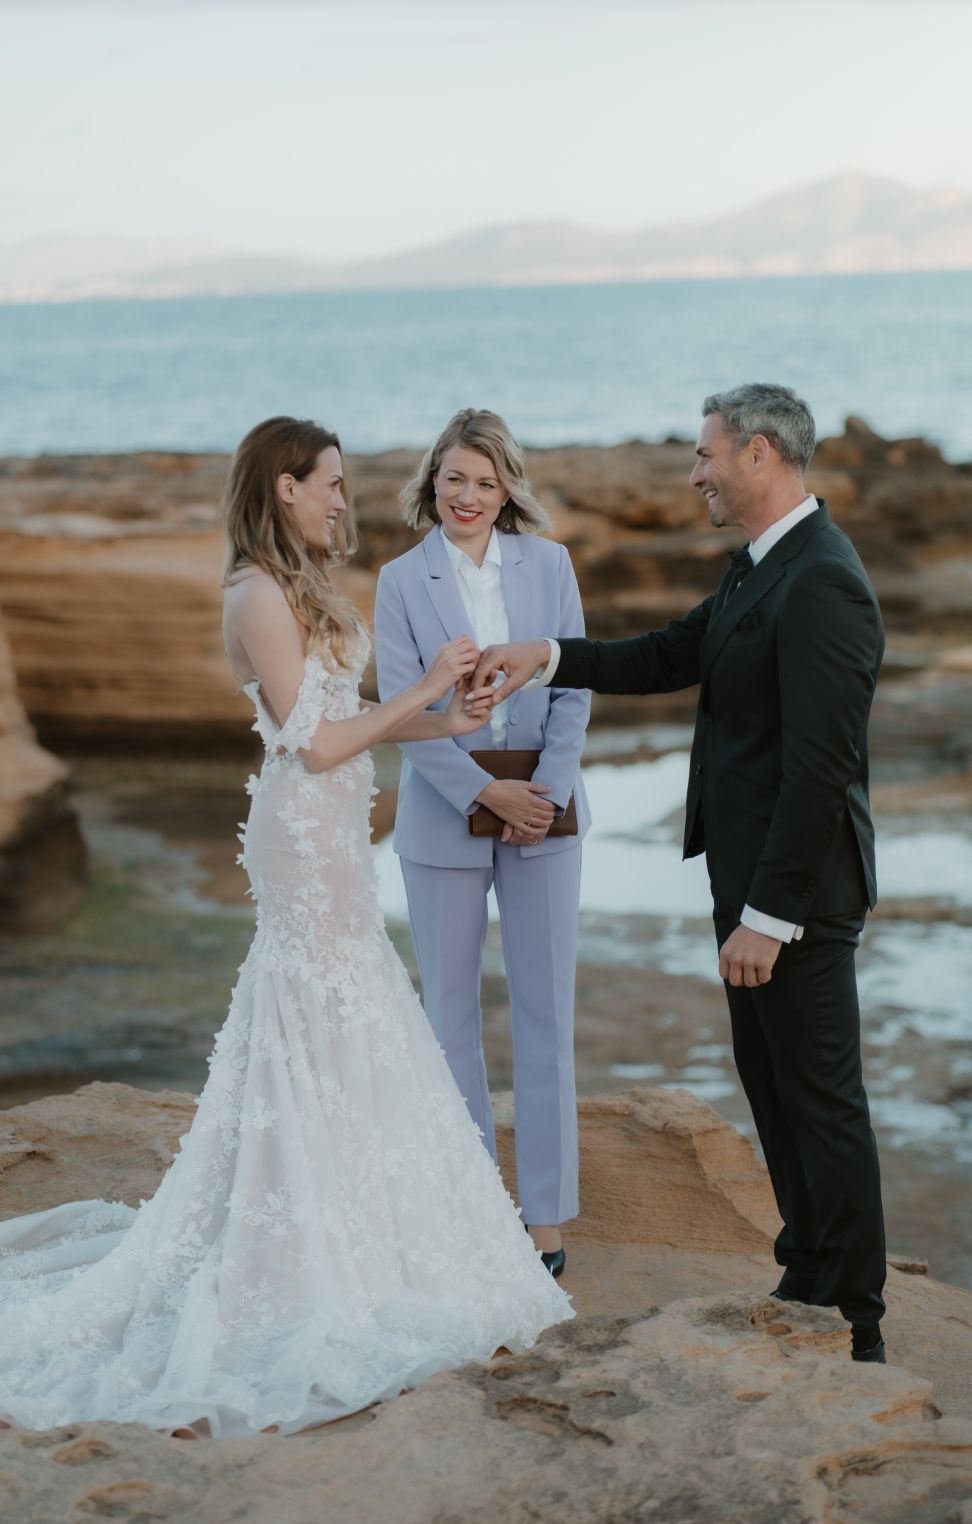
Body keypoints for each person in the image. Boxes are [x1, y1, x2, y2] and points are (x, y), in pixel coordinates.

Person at [0, 416, 571, 1440]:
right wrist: (427, 692)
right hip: (305, 828)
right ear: (285, 484)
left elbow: (359, 714)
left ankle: (353, 1213)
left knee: (350, 1007)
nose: (344, 500)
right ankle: (297, 1234)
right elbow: (311, 746)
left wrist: (454, 713)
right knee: (315, 1002)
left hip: (337, 825)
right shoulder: (252, 594)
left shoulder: (296, 580)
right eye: (332, 484)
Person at [471, 383, 889, 1362]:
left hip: (795, 900)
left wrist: (770, 916)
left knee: (821, 1105)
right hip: (746, 888)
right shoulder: (759, 570)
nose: (691, 473)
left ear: (756, 455)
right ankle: (806, 1273)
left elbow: (820, 768)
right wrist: (544, 656)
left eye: (703, 455)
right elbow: (669, 653)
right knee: (772, 1088)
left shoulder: (821, 582)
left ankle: (856, 1323)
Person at [374, 409, 590, 1277]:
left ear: (509, 491)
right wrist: (480, 787)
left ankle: (545, 1217)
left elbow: (573, 682)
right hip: (441, 815)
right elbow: (401, 709)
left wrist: (546, 791)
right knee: (450, 1020)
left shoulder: (552, 564)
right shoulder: (399, 580)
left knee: (546, 1017)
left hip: (544, 814)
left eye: (486, 482)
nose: (467, 497)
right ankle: (471, 1208)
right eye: (454, 478)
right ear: (433, 480)